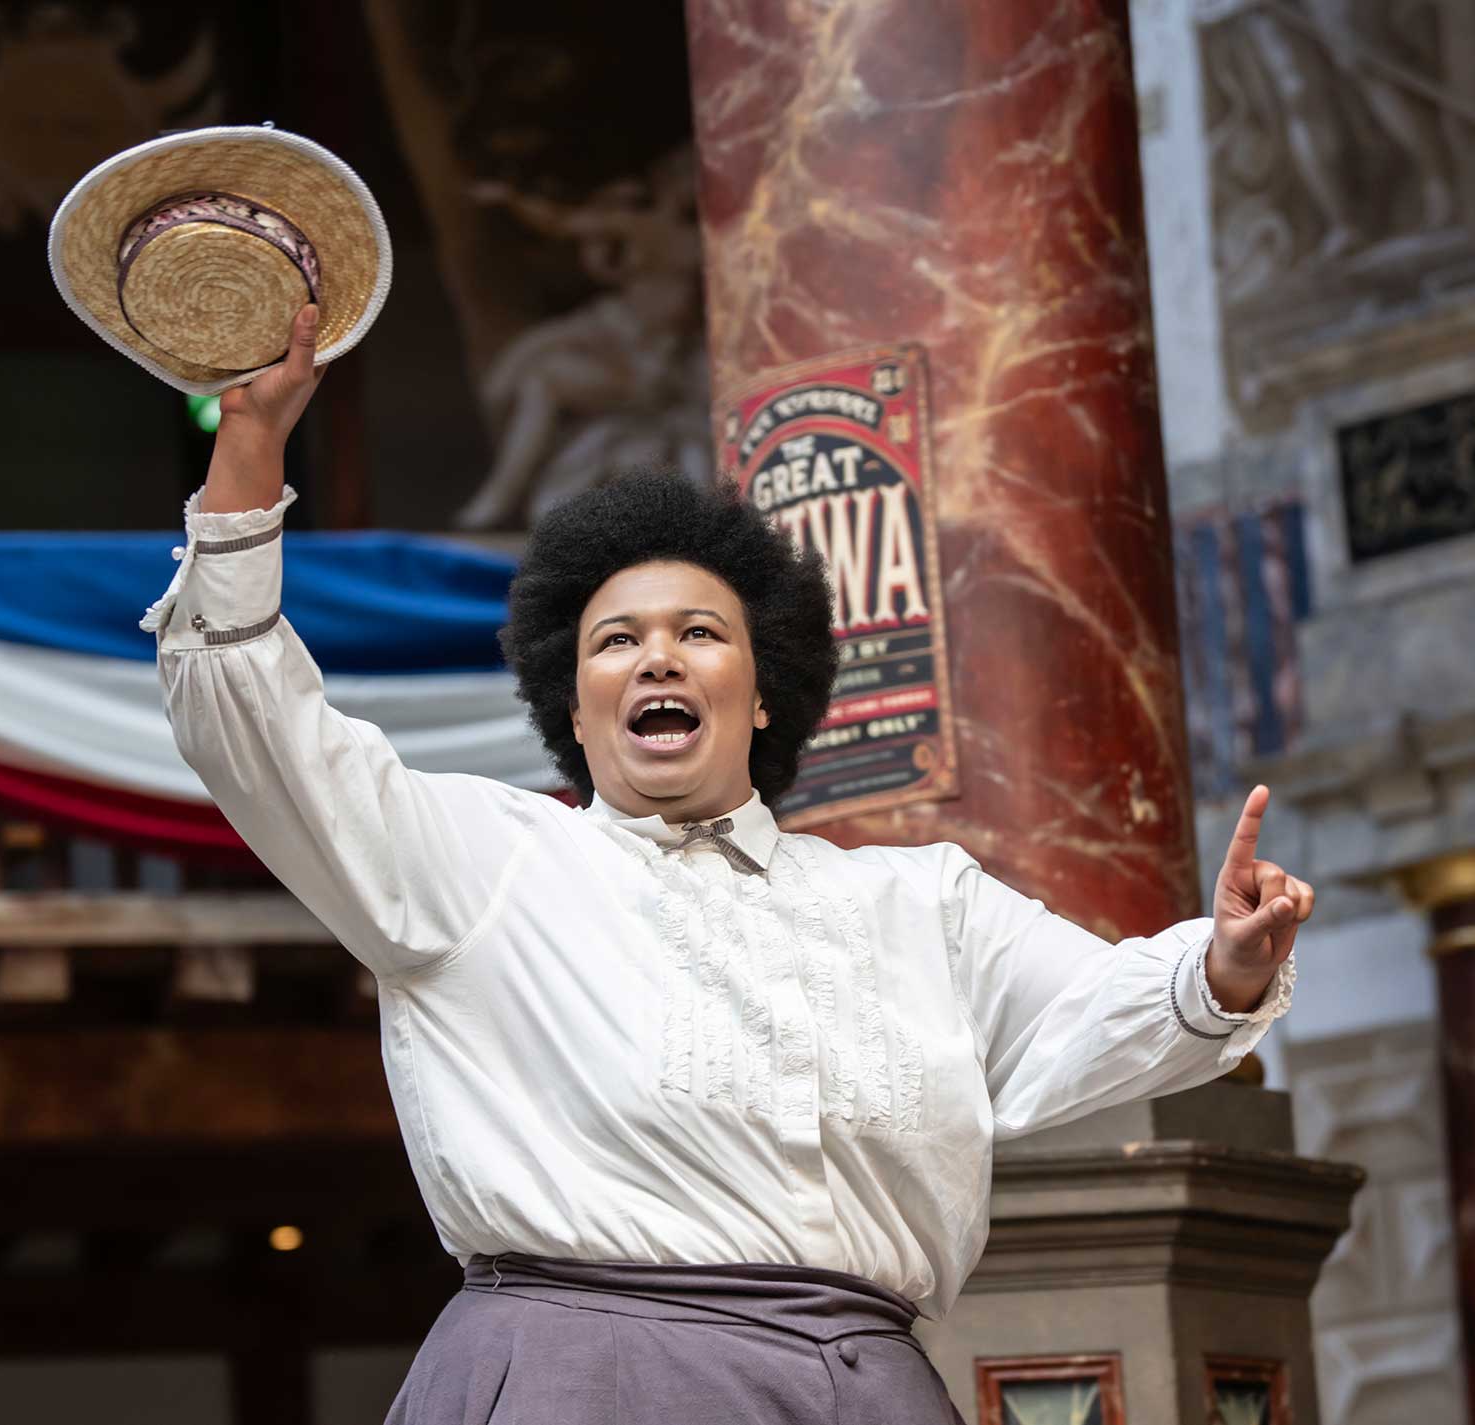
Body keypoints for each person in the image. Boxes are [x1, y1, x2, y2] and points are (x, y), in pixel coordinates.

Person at [151, 305, 1310, 1424]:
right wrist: (249, 444)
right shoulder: (477, 861)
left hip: (870, 1384)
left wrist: (1228, 963)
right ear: (576, 699)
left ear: (761, 696)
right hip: (579, 1374)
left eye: (699, 634)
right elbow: (245, 710)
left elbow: (1113, 1007)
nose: (658, 655)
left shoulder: (920, 901)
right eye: (617, 642)